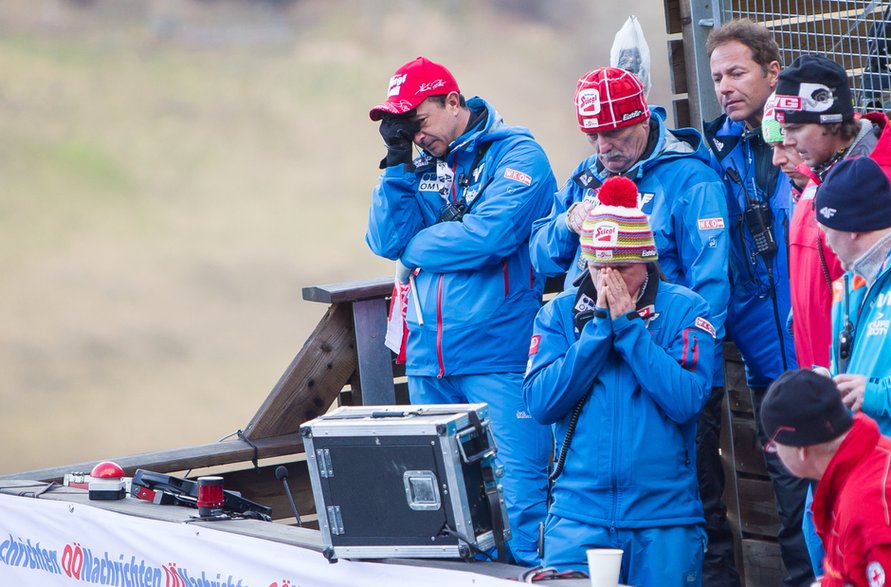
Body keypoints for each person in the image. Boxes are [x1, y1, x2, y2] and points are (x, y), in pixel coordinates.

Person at [527, 68, 730, 582]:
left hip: (670, 340)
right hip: (584, 506)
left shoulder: (690, 177)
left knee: (705, 502)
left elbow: (711, 283)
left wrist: (664, 331)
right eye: (593, 135)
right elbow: (545, 258)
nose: (604, 145)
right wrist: (568, 221)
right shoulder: (587, 175)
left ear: (641, 119)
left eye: (614, 132)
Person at [365, 56, 556, 566]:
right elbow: (385, 240)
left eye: (418, 122)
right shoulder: (420, 162)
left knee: (522, 502)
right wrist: (398, 165)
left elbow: (488, 238)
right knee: (447, 508)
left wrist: (414, 248)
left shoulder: (517, 154)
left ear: (454, 103)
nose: (415, 134)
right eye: (403, 127)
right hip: (430, 362)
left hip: (501, 356)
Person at [703, 20, 811, 586]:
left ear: (773, 72)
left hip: (821, 350)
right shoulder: (712, 151)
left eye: (737, 72)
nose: (724, 86)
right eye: (717, 76)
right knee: (789, 502)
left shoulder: (802, 142)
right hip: (767, 363)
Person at [773, 54, 891, 372]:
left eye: (796, 127)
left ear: (832, 121)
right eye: (784, 128)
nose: (788, 142)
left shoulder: (883, 178)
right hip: (823, 375)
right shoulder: (817, 176)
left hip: (868, 385)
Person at [760, 368, 891, 587]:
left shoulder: (868, 506)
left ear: (800, 448)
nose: (774, 452)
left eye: (775, 446)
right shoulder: (862, 461)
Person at [815, 156, 891, 434]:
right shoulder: (853, 282)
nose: (824, 238)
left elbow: (869, 388)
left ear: (853, 227)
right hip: (866, 461)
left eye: (826, 227)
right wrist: (827, 381)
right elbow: (851, 369)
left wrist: (873, 395)